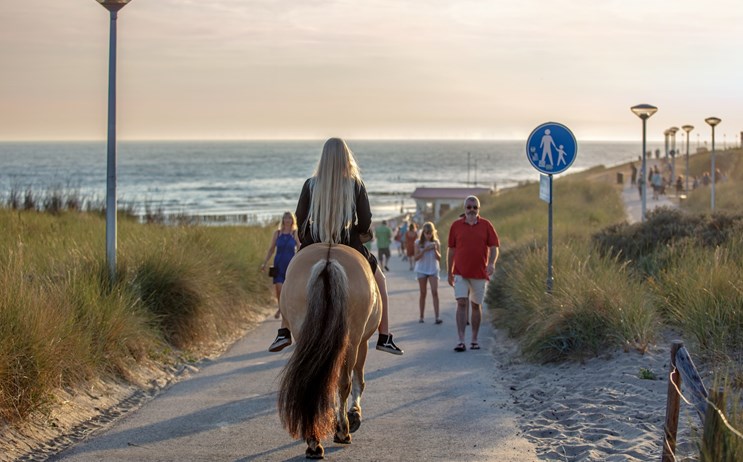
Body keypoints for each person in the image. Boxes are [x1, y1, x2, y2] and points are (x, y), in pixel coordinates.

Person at [268, 137, 403, 355]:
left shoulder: (310, 184)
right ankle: (385, 336)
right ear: (345, 157)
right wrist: (358, 233)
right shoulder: (355, 184)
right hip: (348, 241)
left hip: (315, 240)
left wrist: (307, 237)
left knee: (290, 276)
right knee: (381, 282)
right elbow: (366, 218)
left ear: (323, 158)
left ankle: (284, 331)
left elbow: (300, 216)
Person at [446, 195, 499, 352]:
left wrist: (492, 263)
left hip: (479, 273)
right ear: (464, 208)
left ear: (478, 209)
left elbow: (495, 247)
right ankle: (461, 340)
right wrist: (449, 271)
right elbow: (451, 250)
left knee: (476, 306)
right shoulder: (456, 226)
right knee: (461, 303)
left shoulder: (486, 225)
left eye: (475, 207)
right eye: (469, 207)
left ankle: (474, 339)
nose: (472, 210)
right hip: (460, 273)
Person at [261, 212, 301, 319]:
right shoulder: (277, 233)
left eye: (289, 218)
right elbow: (271, 249)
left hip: (290, 265)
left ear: (293, 220)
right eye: (285, 218)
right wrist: (264, 262)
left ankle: (285, 309)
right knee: (279, 289)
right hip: (278, 264)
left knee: (288, 289)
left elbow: (300, 247)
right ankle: (280, 308)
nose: (287, 220)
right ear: (283, 220)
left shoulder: (294, 233)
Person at [414, 222, 442, 324]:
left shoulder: (436, 242)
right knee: (423, 293)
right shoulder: (418, 242)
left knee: (435, 292)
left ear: (433, 232)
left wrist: (435, 250)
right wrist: (424, 250)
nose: (428, 235)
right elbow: (416, 258)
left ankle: (437, 317)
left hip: (433, 269)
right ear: (423, 233)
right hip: (421, 269)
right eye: (426, 233)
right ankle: (421, 316)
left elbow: (439, 258)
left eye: (430, 233)